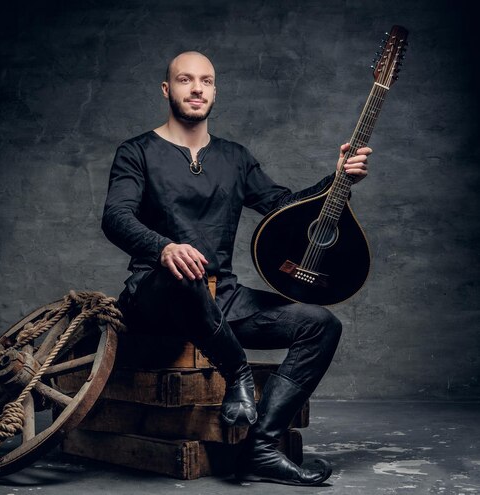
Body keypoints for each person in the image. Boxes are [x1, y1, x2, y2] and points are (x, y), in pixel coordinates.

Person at [101, 51, 371, 486]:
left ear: (214, 90)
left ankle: (261, 449)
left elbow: (284, 208)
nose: (196, 88)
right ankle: (238, 373)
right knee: (184, 271)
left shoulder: (234, 157)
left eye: (206, 81)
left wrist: (336, 180)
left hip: (220, 297)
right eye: (185, 80)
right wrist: (165, 247)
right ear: (167, 90)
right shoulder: (137, 151)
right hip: (155, 297)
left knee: (321, 324)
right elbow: (115, 217)